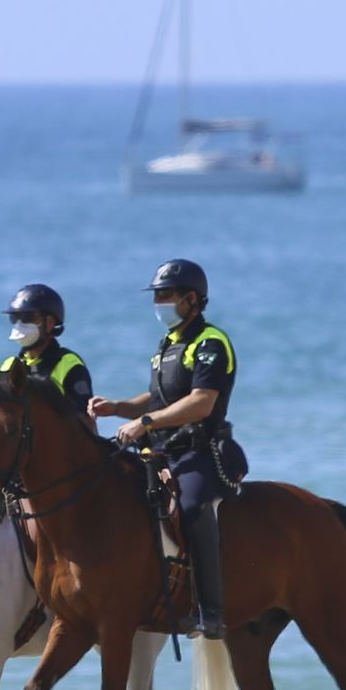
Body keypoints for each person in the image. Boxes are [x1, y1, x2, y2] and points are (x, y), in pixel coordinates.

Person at [87, 259, 241, 640]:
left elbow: (201, 402)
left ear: (192, 300)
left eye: (166, 295)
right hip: (163, 448)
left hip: (201, 451)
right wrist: (119, 408)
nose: (159, 303)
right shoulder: (168, 345)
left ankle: (210, 611)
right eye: (157, 296)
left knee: (190, 507)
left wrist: (146, 423)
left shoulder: (210, 344)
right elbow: (157, 399)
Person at [0, 283, 95, 430]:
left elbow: (86, 424)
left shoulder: (69, 364)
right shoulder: (9, 365)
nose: (19, 324)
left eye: (27, 317)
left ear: (50, 323)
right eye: (15, 318)